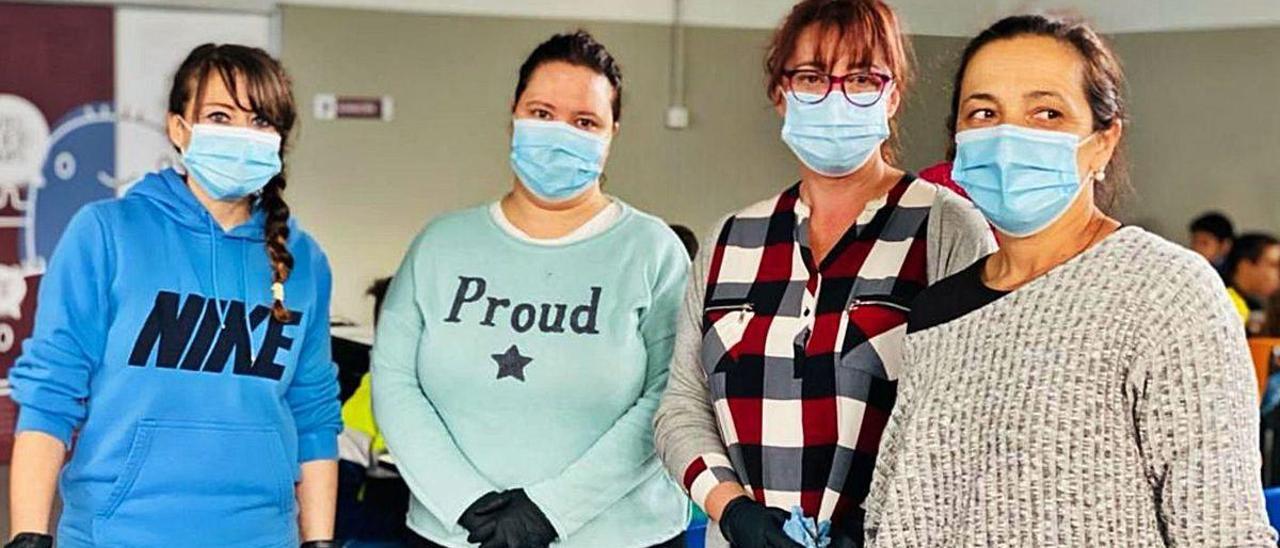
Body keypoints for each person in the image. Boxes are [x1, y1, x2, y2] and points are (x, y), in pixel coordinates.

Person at [864, 15, 1276, 546]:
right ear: (958, 142)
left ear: (1103, 143)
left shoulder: (1167, 292)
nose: (1009, 136)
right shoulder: (936, 312)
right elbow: (895, 510)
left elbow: (1224, 530)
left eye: (1047, 112)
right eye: (984, 112)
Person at [652, 1, 996, 546]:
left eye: (860, 77)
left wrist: (872, 523)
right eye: (812, 77)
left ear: (893, 95)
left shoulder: (947, 229)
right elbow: (682, 406)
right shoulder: (730, 238)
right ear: (780, 93)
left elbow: (972, 414)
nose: (835, 97)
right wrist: (734, 510)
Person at [7, 44, 341, 548]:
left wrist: (319, 542)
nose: (239, 135)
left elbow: (313, 415)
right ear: (179, 129)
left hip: (262, 536)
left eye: (259, 120)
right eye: (219, 116)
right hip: (118, 535)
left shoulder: (304, 261)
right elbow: (50, 395)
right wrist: (27, 536)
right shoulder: (106, 232)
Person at [371, 31, 689, 548]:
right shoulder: (440, 244)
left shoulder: (652, 250)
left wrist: (551, 512)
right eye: (542, 113)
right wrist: (465, 502)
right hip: (455, 535)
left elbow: (670, 398)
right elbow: (394, 382)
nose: (560, 132)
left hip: (621, 537)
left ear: (612, 134)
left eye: (584, 121)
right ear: (512, 117)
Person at [1224, 232, 1280, 333]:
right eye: (1273, 265)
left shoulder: (1257, 304)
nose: (1278, 273)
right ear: (1245, 266)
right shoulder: (1225, 304)